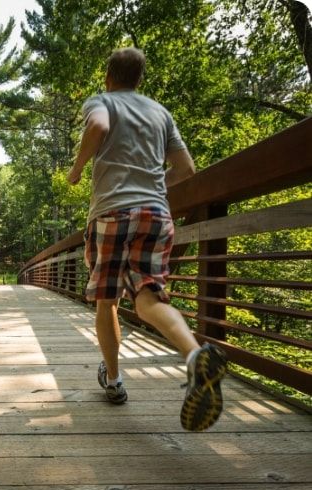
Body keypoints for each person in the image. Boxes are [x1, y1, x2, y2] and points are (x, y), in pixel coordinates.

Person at [67, 47, 227, 432]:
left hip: (112, 212)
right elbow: (186, 169)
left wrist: (75, 171)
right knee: (148, 298)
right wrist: (154, 187)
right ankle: (194, 355)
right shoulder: (160, 113)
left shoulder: (101, 101)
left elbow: (99, 127)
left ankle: (115, 380)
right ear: (139, 80)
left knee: (107, 302)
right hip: (156, 213)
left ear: (108, 77)